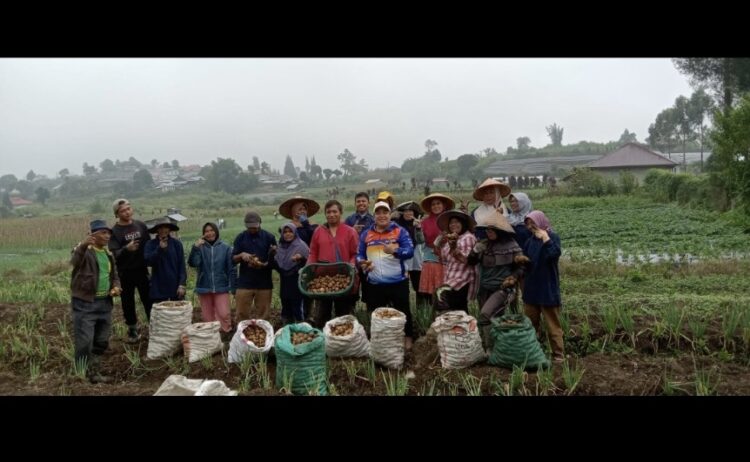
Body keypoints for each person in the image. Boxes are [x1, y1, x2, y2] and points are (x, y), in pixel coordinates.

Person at [357, 201, 415, 349]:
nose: (382, 216)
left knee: (403, 311)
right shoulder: (366, 234)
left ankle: (408, 338)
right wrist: (363, 264)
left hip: (398, 282)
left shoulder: (399, 231)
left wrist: (395, 251)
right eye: (378, 213)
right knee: (377, 315)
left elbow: (409, 252)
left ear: (390, 215)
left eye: (385, 212)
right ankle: (381, 343)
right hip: (375, 284)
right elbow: (359, 255)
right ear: (374, 215)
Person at [70, 219, 122, 383]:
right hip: (85, 304)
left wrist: (116, 286)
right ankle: (81, 375)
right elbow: (74, 261)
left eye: (108, 233)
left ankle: (93, 373)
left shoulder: (108, 254)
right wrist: (83, 245)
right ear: (92, 235)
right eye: (103, 233)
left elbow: (114, 275)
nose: (107, 236)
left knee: (101, 341)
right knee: (85, 342)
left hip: (104, 304)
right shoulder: (84, 251)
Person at [467, 212, 525, 349]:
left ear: (500, 231)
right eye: (487, 230)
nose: (489, 232)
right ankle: (500, 347)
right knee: (494, 318)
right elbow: (471, 262)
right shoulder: (484, 244)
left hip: (502, 289)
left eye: (492, 230)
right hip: (484, 288)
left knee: (485, 315)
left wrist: (513, 278)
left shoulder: (511, 245)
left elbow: (521, 267)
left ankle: (490, 348)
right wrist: (474, 251)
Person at [307, 200, 360, 326]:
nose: (331, 214)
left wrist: (352, 264)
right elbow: (313, 252)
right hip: (323, 280)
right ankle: (324, 340)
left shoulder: (349, 231)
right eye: (328, 212)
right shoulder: (319, 231)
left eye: (334, 211)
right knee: (322, 314)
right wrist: (309, 267)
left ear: (340, 213)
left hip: (344, 279)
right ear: (325, 214)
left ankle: (342, 342)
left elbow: (355, 253)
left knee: (343, 315)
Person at [522, 210, 564, 363]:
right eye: (528, 223)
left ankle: (558, 355)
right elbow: (526, 264)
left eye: (533, 222)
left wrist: (546, 239)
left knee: (553, 325)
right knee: (530, 325)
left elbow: (554, 255)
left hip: (547, 289)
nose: (531, 226)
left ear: (541, 222)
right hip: (531, 289)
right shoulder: (529, 242)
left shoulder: (553, 238)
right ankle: (533, 353)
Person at [109, 198, 152, 343]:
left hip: (141, 269)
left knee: (148, 299)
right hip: (125, 272)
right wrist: (126, 249)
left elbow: (149, 245)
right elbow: (114, 254)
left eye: (128, 208)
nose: (127, 212)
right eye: (123, 211)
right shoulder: (114, 231)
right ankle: (133, 330)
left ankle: (154, 328)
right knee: (127, 302)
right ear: (117, 214)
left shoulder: (140, 225)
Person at [188, 222, 236, 338]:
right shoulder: (200, 247)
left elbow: (231, 268)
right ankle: (211, 337)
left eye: (211, 230)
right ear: (203, 234)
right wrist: (195, 248)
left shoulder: (225, 248)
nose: (209, 233)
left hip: (221, 286)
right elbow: (194, 263)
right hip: (204, 286)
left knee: (224, 313)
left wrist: (234, 286)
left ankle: (225, 334)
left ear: (216, 231)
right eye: (206, 231)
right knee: (207, 316)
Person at [232, 211, 277, 321]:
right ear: (246, 225)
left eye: (255, 227)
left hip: (264, 283)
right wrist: (242, 255)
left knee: (263, 316)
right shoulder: (240, 238)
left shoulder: (269, 237)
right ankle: (241, 335)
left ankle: (263, 336)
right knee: (241, 314)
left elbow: (274, 262)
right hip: (245, 282)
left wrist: (264, 262)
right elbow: (233, 259)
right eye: (250, 227)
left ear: (260, 223)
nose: (253, 229)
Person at [436, 210, 477, 312]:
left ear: (463, 224)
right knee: (456, 308)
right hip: (451, 276)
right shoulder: (451, 238)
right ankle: (458, 326)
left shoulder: (468, 237)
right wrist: (440, 244)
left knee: (450, 302)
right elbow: (444, 259)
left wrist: (454, 248)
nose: (453, 225)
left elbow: (466, 260)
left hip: (463, 278)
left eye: (457, 222)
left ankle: (462, 325)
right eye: (451, 223)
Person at [418, 193, 456, 303]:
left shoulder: (451, 220)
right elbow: (420, 240)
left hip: (448, 259)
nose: (435, 206)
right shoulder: (425, 222)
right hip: (431, 259)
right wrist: (417, 229)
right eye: (433, 204)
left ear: (444, 205)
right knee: (432, 295)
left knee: (446, 293)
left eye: (438, 203)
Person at [270, 222, 309, 325]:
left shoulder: (302, 246)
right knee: (286, 306)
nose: (288, 234)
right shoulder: (280, 247)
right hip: (285, 283)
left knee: (297, 307)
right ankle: (287, 329)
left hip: (297, 284)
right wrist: (271, 254)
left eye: (290, 231)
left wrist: (301, 258)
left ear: (295, 232)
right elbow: (276, 266)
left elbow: (309, 264)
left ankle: (300, 328)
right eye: (285, 232)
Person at [395, 201, 430, 308]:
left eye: (410, 211)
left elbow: (421, 241)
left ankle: (421, 309)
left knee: (418, 285)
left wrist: (418, 228)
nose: (408, 213)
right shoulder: (397, 226)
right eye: (405, 211)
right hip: (402, 258)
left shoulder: (419, 224)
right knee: (402, 286)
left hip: (416, 258)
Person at [144, 218, 187, 304]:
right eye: (160, 228)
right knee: (161, 316)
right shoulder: (150, 244)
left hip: (175, 287)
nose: (163, 230)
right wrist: (159, 249)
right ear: (157, 230)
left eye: (166, 227)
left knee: (177, 315)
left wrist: (182, 284)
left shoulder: (176, 244)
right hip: (158, 288)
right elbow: (148, 261)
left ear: (169, 229)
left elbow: (181, 265)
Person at [344, 191, 375, 305]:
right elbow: (342, 238)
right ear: (355, 203)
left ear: (368, 203)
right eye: (358, 201)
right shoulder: (349, 220)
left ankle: (370, 312)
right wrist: (352, 230)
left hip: (368, 259)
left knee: (369, 288)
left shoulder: (373, 220)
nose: (361, 203)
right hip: (352, 259)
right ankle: (350, 312)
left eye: (363, 201)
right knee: (352, 288)